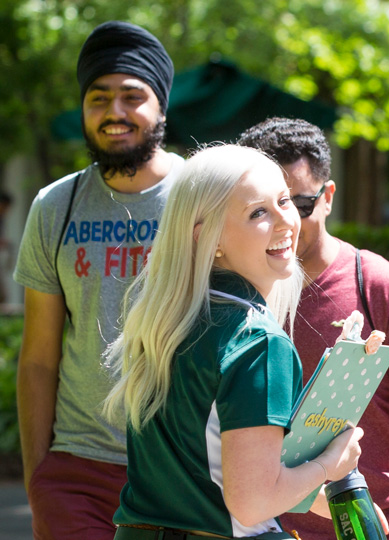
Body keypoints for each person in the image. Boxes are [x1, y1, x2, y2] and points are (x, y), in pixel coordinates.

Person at [101, 144, 365, 539]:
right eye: (258, 212)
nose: (285, 222)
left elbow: (206, 471)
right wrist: (331, 464)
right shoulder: (257, 341)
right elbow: (252, 502)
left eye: (284, 201)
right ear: (207, 237)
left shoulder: (166, 321)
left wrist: (314, 494)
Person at [237, 118, 389, 540]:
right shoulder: (228, 297)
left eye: (300, 205)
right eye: (263, 209)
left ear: (328, 197)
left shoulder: (381, 286)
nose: (287, 224)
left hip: (375, 528)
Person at [14, 21, 181, 540]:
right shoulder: (54, 206)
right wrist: (38, 477)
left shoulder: (203, 199)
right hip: (77, 469)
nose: (114, 113)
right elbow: (39, 356)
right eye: (98, 98)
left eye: (133, 96)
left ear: (160, 107)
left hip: (182, 467)